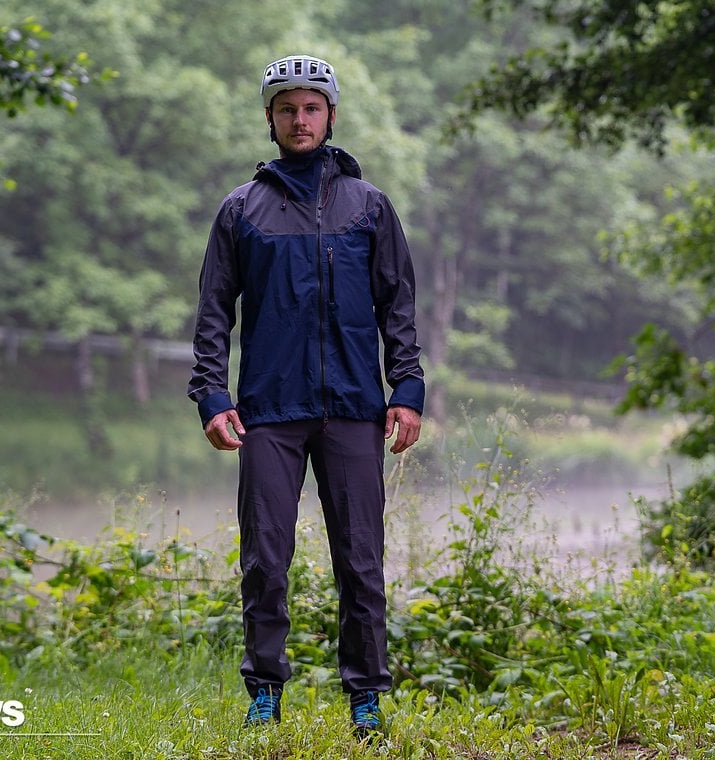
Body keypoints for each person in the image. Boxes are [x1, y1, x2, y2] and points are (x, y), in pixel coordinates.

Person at [187, 54, 424, 738]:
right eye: (287, 108)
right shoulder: (242, 208)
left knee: (361, 559)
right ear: (271, 118)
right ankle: (264, 690)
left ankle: (367, 698)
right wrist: (210, 394)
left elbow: (397, 305)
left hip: (354, 407)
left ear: (330, 115)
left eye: (311, 107)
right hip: (268, 412)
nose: (300, 119)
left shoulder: (369, 206)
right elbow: (212, 312)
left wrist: (405, 389)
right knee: (265, 558)